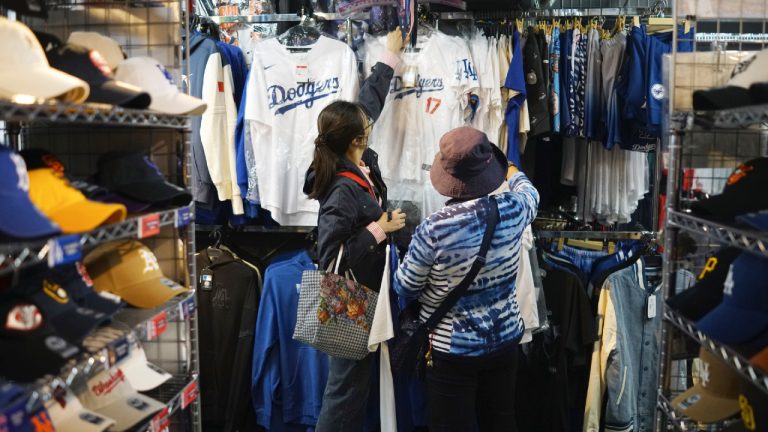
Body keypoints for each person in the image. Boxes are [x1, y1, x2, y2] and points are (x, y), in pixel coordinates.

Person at [393, 126, 540, 432]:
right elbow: (531, 192)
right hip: (505, 339)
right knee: (501, 421)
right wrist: (512, 170)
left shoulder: (434, 228)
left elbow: (405, 285)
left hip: (452, 348)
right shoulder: (514, 208)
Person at [303, 30, 407, 432]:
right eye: (366, 126)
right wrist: (379, 228)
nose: (371, 123)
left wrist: (390, 58)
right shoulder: (342, 189)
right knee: (344, 392)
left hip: (363, 295)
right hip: (348, 299)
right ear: (355, 140)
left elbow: (368, 103)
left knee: (355, 388)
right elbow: (329, 260)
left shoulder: (353, 161)